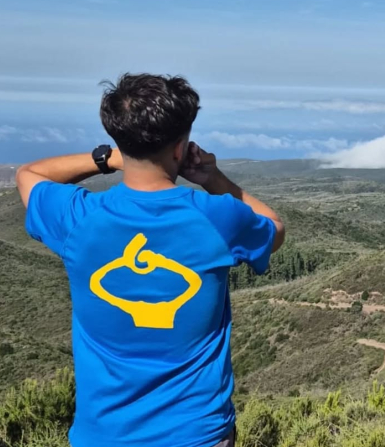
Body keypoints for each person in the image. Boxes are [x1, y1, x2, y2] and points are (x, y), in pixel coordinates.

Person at [15, 73, 285, 447]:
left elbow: (28, 174)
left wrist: (110, 159)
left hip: (104, 435)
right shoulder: (217, 218)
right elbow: (275, 228)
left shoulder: (78, 219)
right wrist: (213, 178)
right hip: (198, 433)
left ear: (119, 139)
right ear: (180, 148)